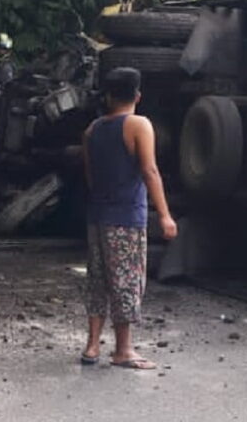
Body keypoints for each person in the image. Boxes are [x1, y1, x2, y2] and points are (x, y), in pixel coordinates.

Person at [81, 67, 178, 370]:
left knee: (98, 279)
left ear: (108, 96)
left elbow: (89, 175)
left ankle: (93, 345)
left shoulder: (92, 129)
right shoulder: (138, 125)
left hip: (97, 216)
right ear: (138, 95)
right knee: (126, 279)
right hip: (126, 217)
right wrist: (164, 214)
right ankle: (123, 349)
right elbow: (149, 171)